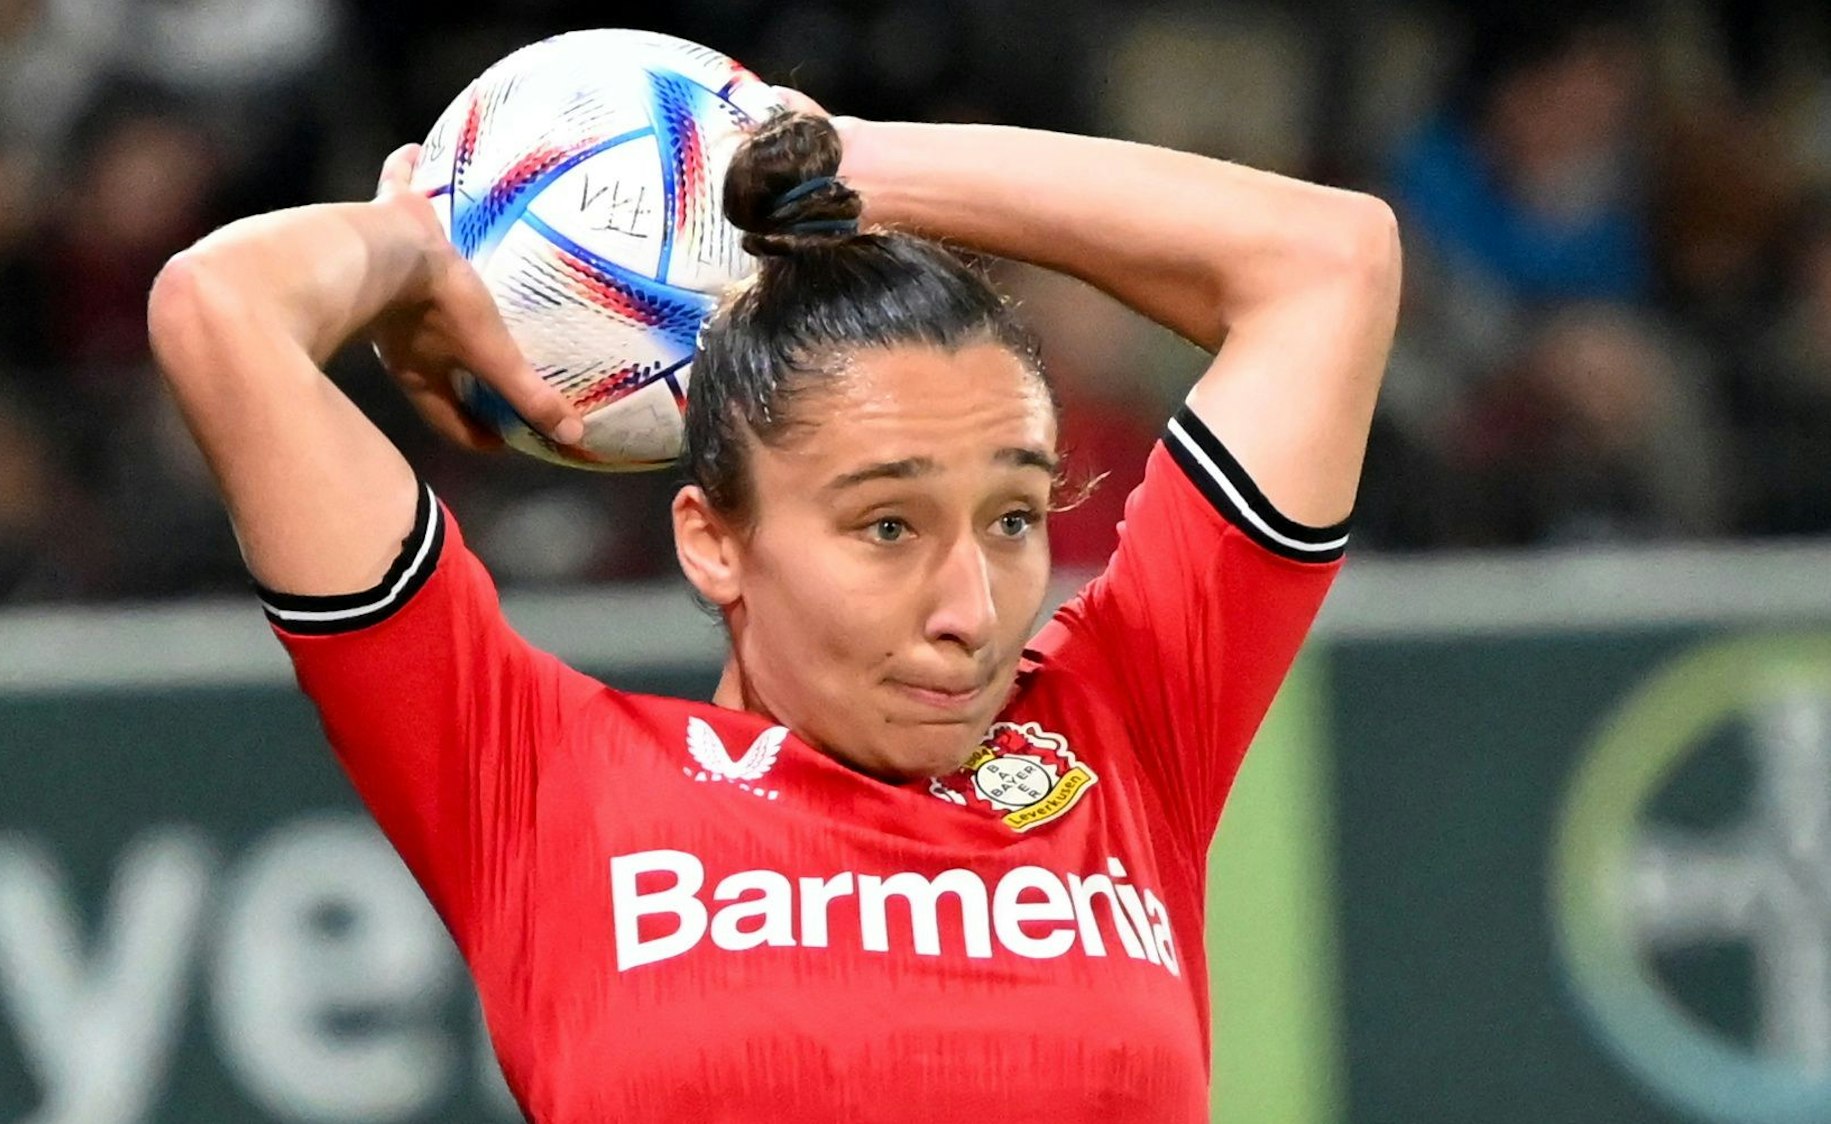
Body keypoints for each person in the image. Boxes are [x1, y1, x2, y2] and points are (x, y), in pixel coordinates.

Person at [147, 88, 1398, 1122]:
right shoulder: (534, 783)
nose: (971, 605)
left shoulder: (1126, 729)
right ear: (714, 543)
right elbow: (223, 310)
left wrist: (822, 157)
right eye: (887, 525)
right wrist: (417, 243)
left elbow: (1326, 264)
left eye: (1014, 518)